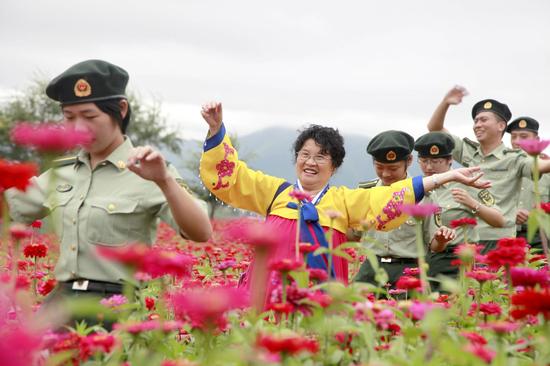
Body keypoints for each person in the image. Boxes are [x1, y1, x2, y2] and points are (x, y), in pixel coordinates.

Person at [199, 101, 489, 301]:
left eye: (321, 156)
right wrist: (216, 131)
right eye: (305, 154)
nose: (311, 162)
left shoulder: (345, 201)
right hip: (267, 293)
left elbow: (389, 198)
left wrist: (445, 178)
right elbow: (233, 178)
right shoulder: (275, 192)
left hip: (320, 295)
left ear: (334, 166)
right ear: (296, 158)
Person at [5, 60, 212, 321]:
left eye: (90, 116)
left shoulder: (149, 170)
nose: (79, 128)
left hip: (115, 308)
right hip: (61, 305)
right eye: (69, 117)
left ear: (121, 110)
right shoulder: (62, 172)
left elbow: (201, 231)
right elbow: (11, 208)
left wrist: (164, 182)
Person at [427, 86, 550, 253]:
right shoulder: (468, 151)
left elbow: (541, 166)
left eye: (483, 120)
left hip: (500, 239)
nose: (477, 125)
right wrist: (446, 103)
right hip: (470, 238)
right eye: (476, 121)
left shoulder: (514, 158)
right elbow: (435, 129)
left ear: (500, 126)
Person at [353, 130, 457, 288]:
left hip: (408, 270)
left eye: (393, 168)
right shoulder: (365, 192)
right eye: (380, 167)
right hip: (371, 269)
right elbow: (353, 235)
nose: (386, 174)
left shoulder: (425, 195)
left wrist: (441, 239)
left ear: (408, 161)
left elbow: (434, 245)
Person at [414, 132, 504, 289]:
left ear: (450, 160)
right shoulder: (417, 188)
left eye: (436, 161)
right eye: (424, 161)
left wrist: (473, 204)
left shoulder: (469, 184)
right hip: (427, 259)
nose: (429, 167)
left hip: (458, 258)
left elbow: (499, 220)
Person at [506, 116, 550, 249]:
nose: (517, 141)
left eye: (524, 136)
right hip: (506, 236)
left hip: (539, 238)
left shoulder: (547, 169)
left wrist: (534, 215)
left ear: (536, 140)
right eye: (513, 137)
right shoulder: (500, 166)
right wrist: (510, 213)